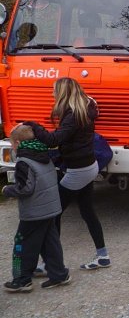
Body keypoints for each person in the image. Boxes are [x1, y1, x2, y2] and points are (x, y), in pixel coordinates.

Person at [24, 77, 110, 271]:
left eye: (54, 90)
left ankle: (50, 265)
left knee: (54, 215)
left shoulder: (72, 115)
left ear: (63, 92)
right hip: (89, 166)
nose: (52, 93)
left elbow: (53, 139)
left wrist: (34, 126)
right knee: (88, 212)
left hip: (78, 170)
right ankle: (103, 256)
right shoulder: (82, 109)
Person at [3, 125, 71, 292]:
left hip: (34, 212)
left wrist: (7, 190)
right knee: (50, 243)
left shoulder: (23, 162)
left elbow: (25, 188)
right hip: (51, 208)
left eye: (12, 144)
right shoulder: (43, 154)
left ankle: (21, 279)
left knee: (21, 243)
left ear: (18, 142)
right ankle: (59, 274)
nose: (12, 147)